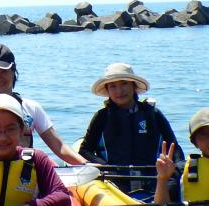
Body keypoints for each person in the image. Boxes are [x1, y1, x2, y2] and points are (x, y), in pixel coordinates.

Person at [78, 62, 182, 198]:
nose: (119, 91)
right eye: (113, 86)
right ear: (107, 90)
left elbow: (175, 149)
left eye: (124, 84)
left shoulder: (153, 114)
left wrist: (177, 169)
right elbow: (85, 150)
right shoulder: (101, 117)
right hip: (114, 183)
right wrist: (106, 167)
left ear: (133, 86)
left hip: (153, 182)